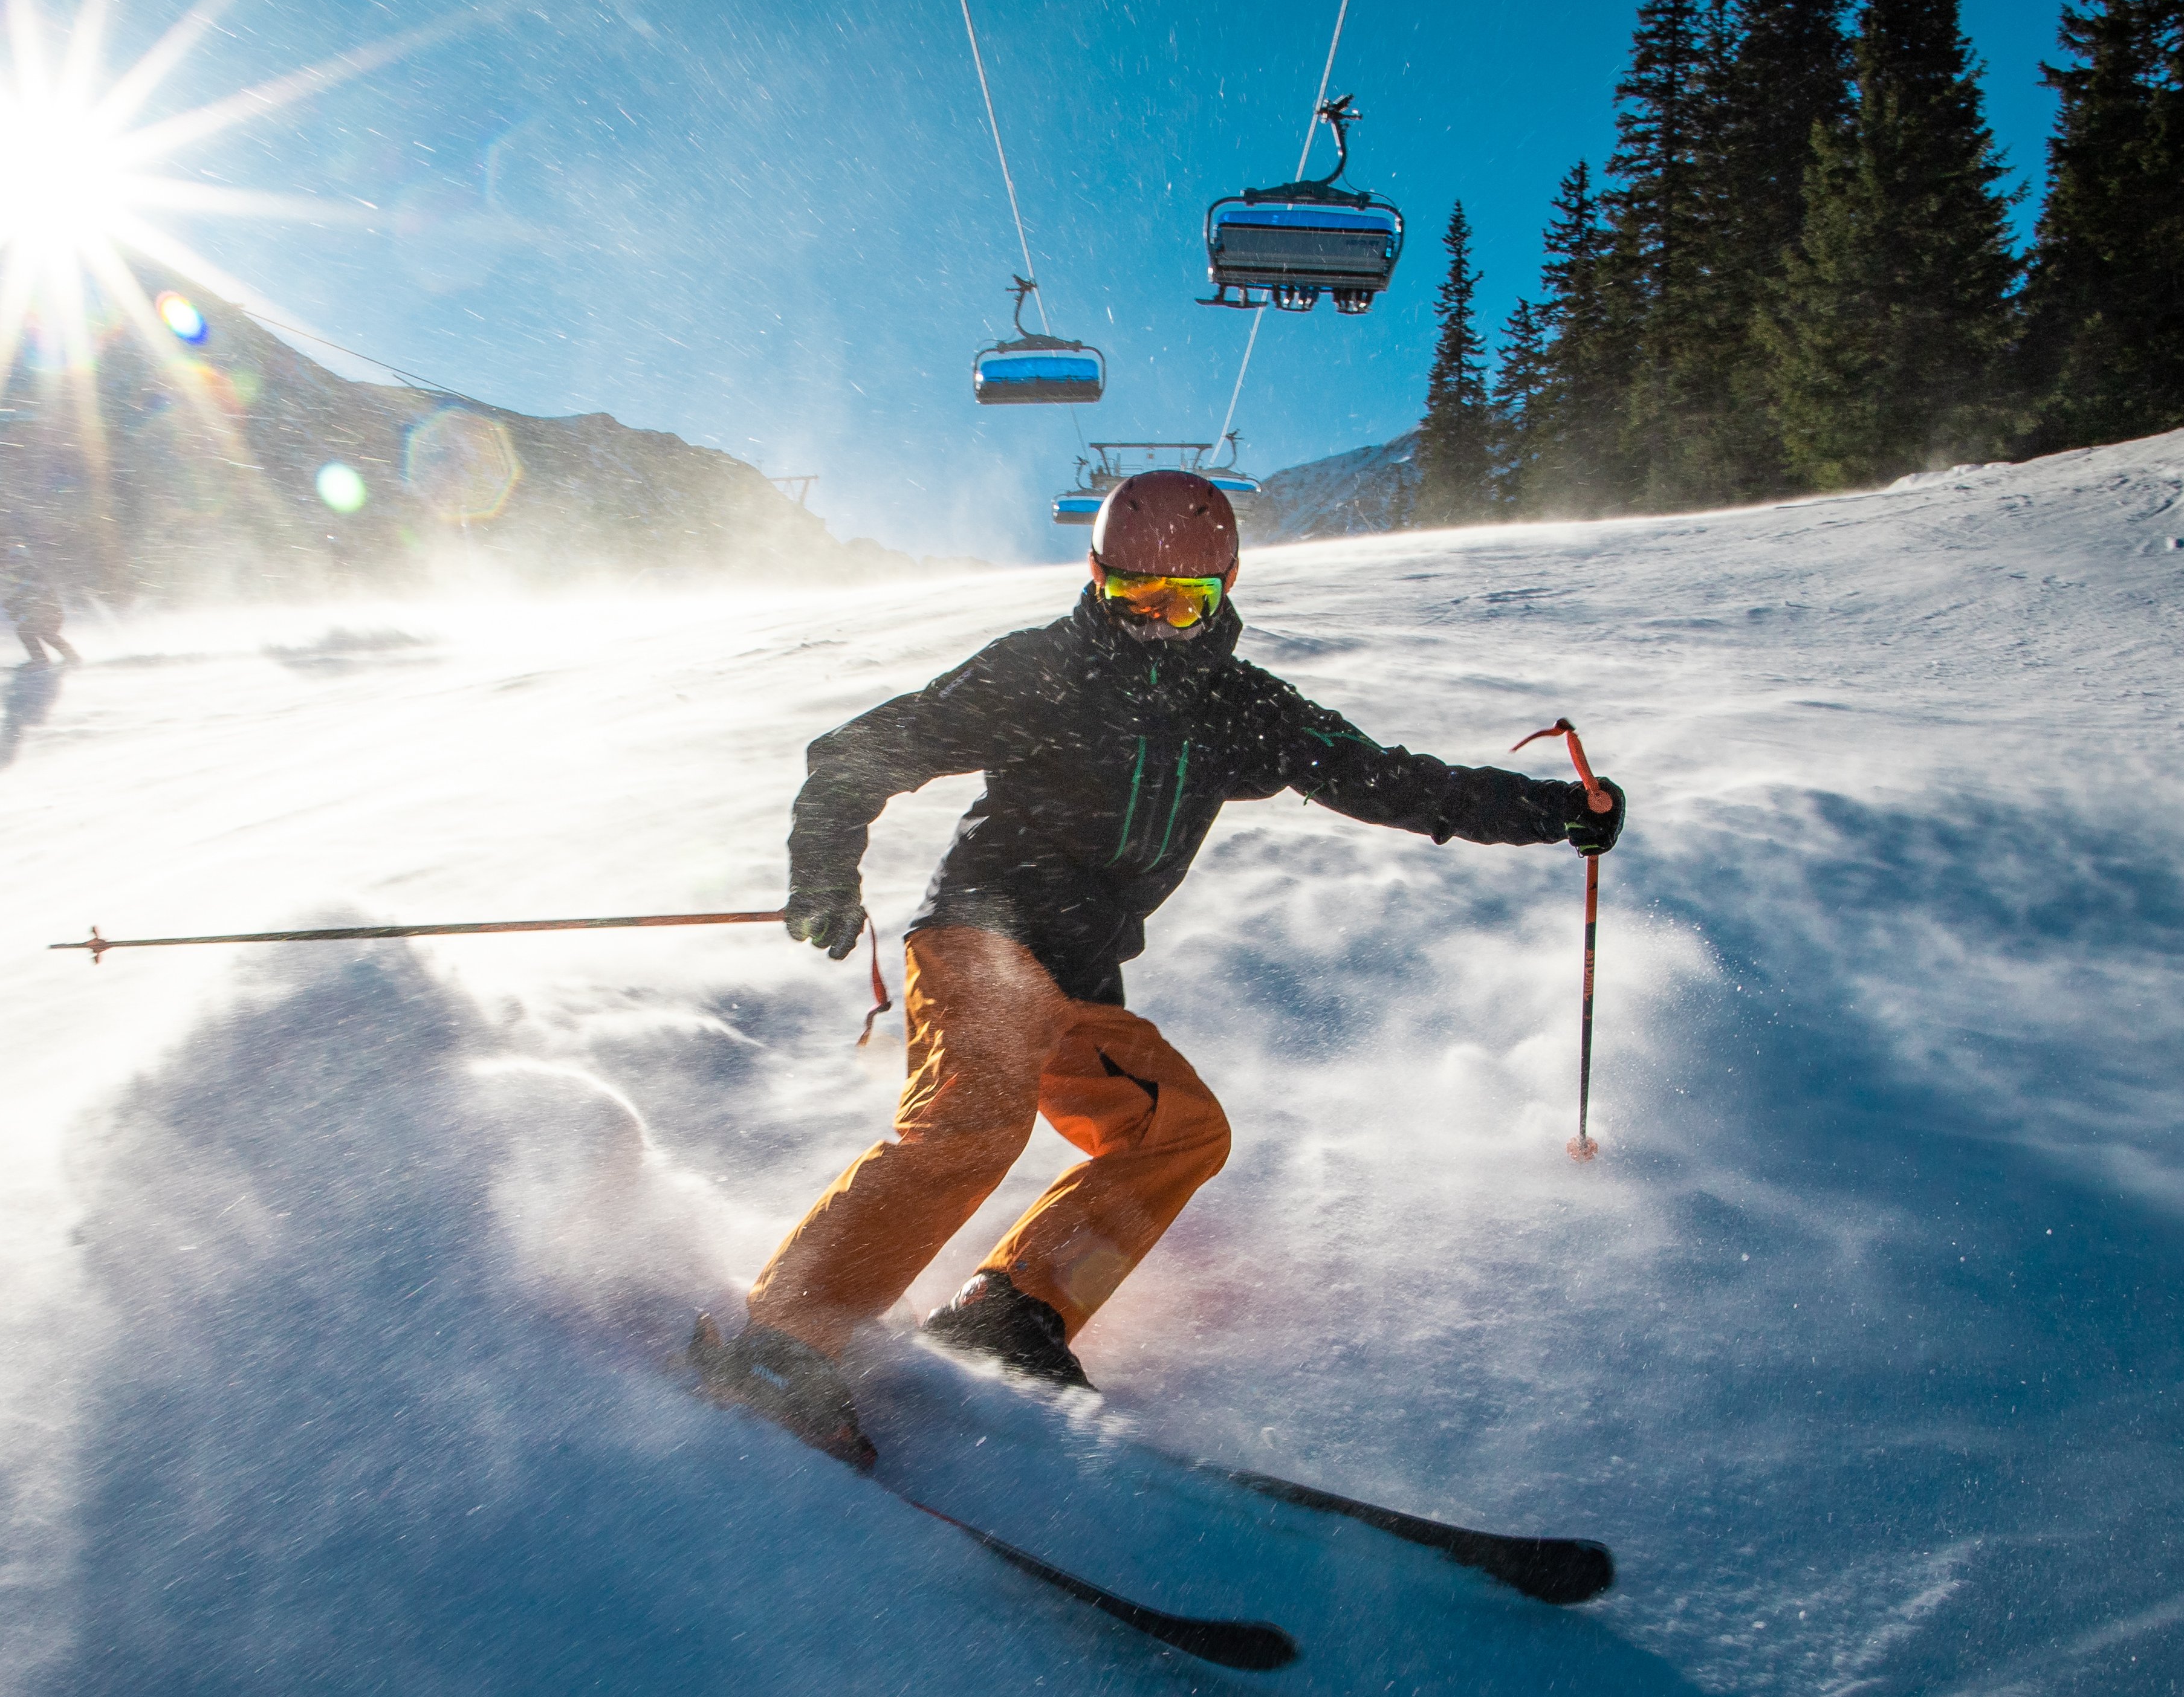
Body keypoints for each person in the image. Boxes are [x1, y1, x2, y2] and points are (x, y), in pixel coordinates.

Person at [692, 469, 1625, 1469]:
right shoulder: (1041, 671)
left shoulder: (1241, 707)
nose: (1154, 624)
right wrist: (824, 872)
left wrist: (1548, 812)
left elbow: (1385, 779)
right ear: (1097, 577)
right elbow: (859, 753)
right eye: (1132, 596)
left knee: (1178, 1132)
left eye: (1184, 603)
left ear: (1226, 589)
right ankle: (782, 1344)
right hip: (982, 933)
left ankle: (1013, 1311)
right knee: (977, 1119)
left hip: (1081, 973)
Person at [2, 541, 79, 665]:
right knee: (28, 631)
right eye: (11, 559)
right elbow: (23, 596)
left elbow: (36, 595)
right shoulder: (16, 575)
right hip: (41, 614)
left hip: (51, 612)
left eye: (16, 558)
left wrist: (17, 605)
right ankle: (42, 659)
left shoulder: (33, 574)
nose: (13, 561)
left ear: (25, 559)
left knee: (42, 633)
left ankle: (60, 658)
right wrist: (13, 606)